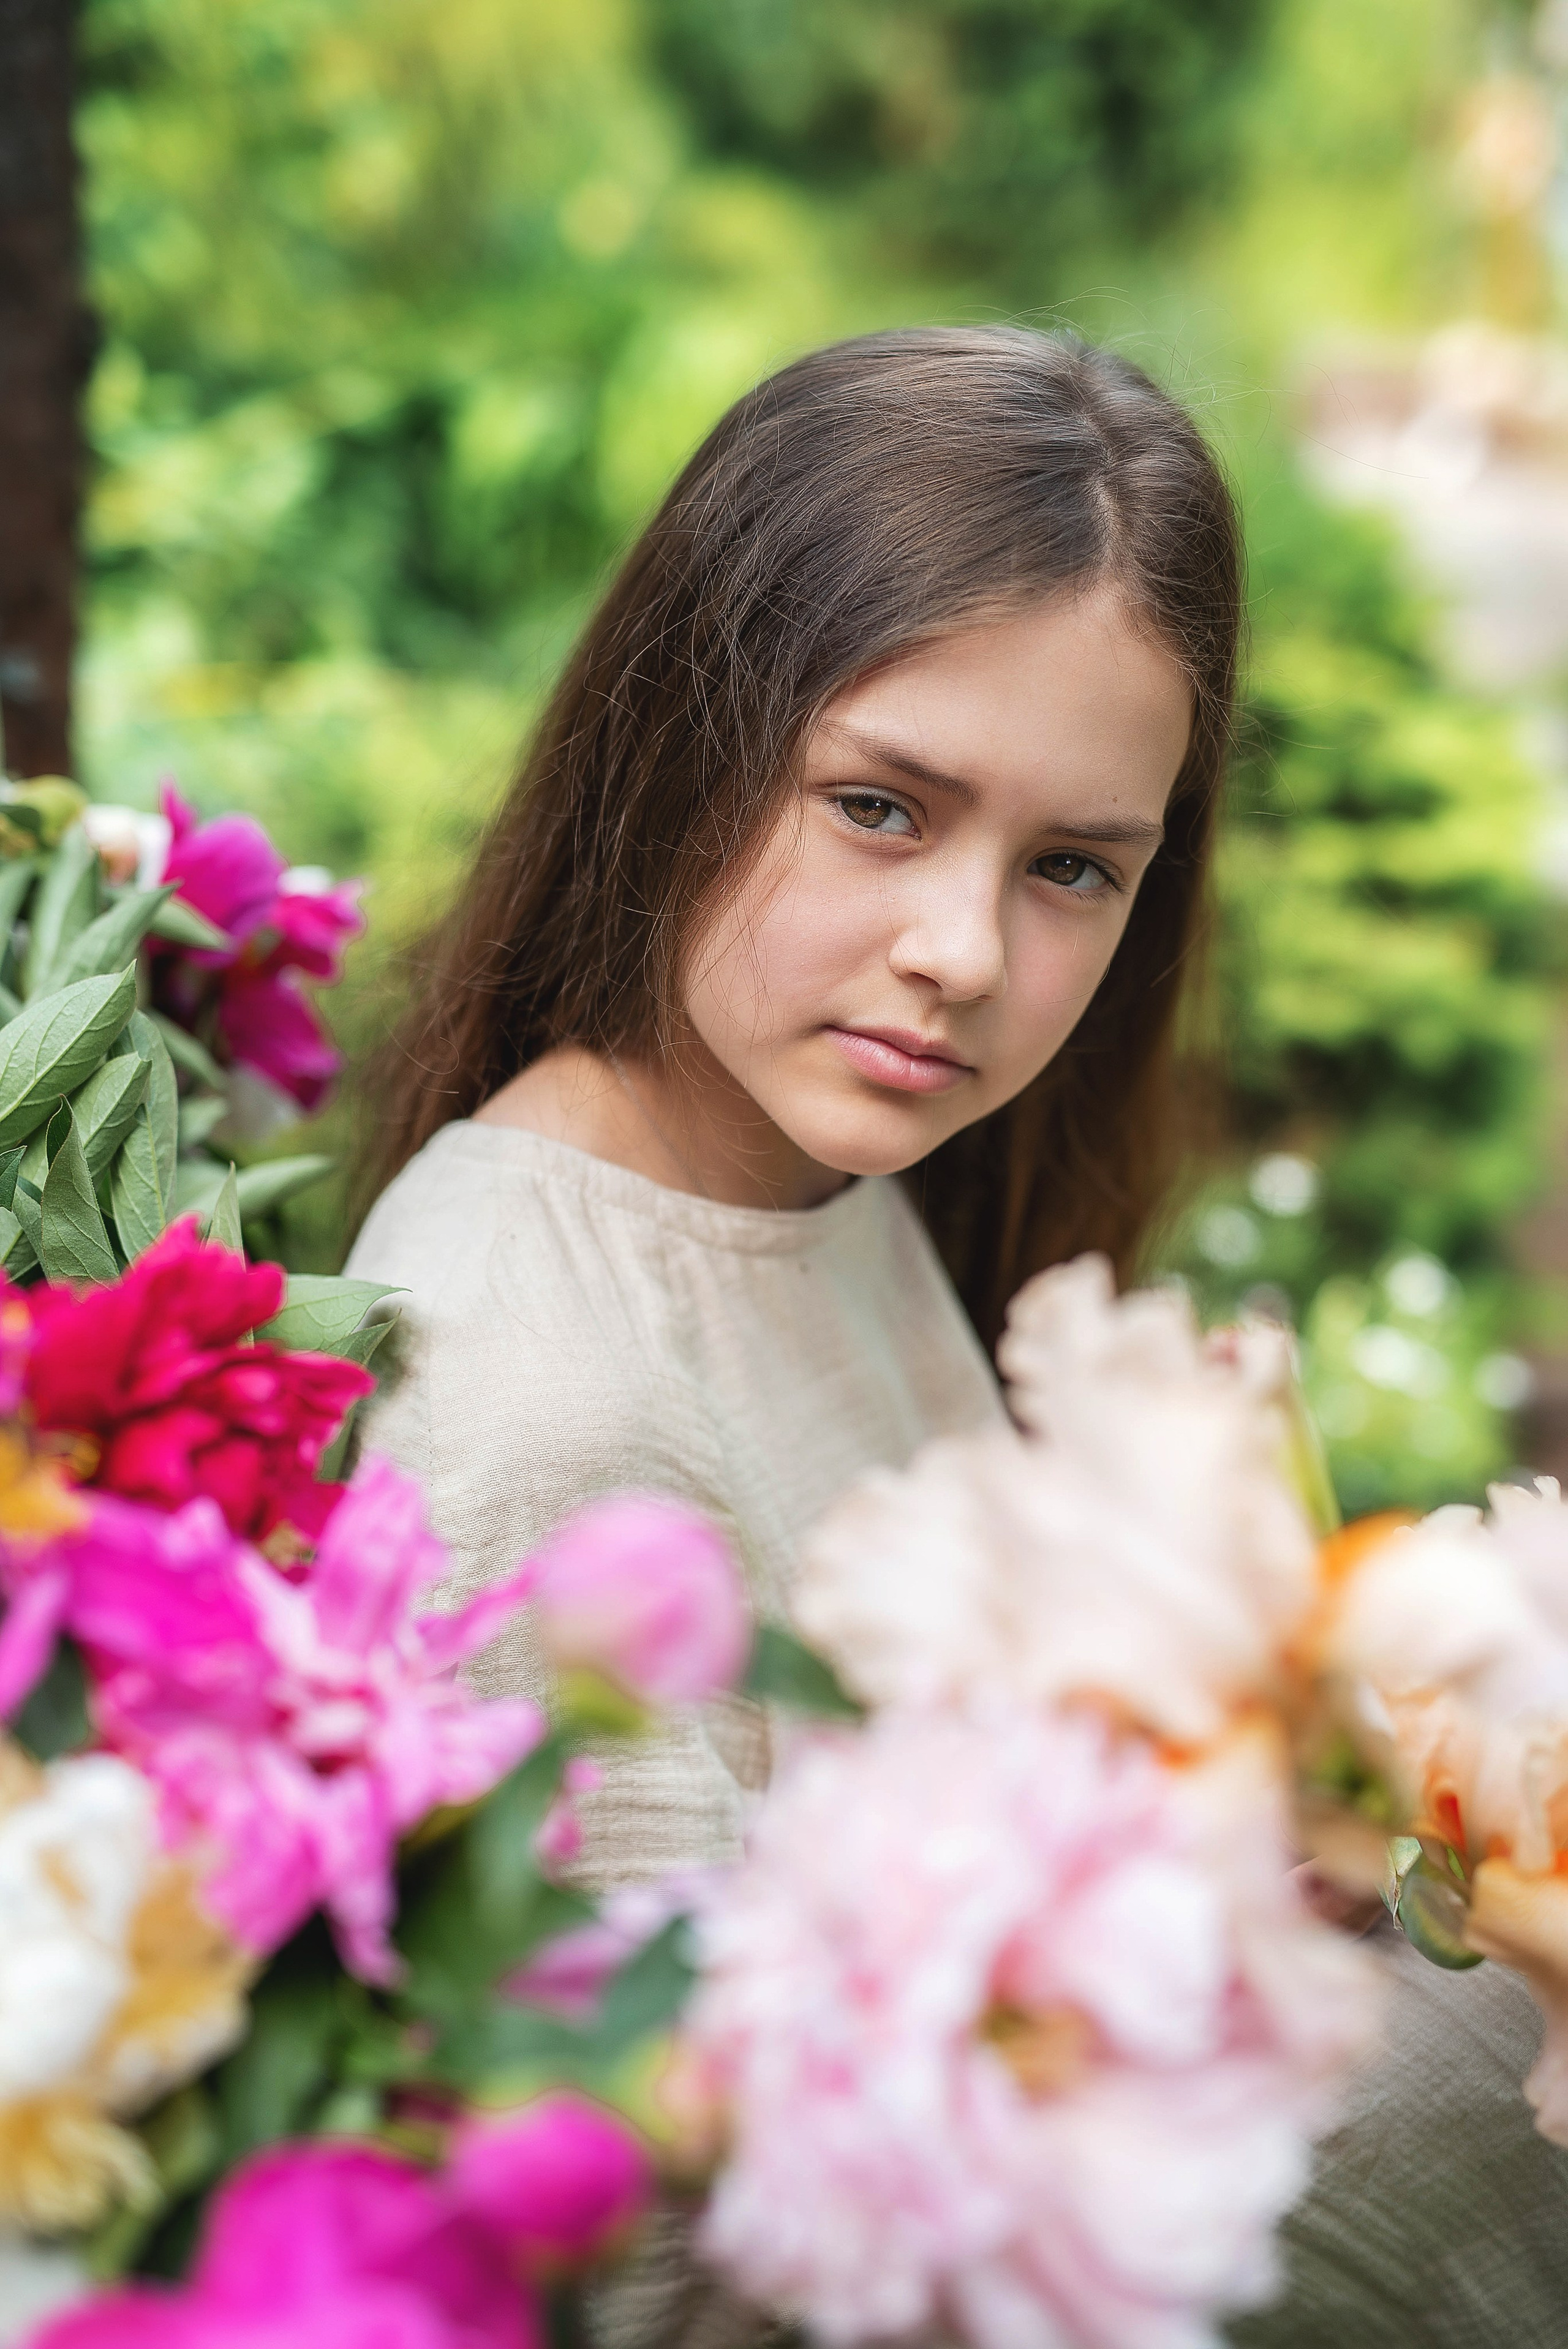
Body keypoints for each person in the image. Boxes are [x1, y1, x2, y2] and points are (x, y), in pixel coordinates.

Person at [347, 326, 1568, 2344]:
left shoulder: (815, 1191)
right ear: (681, 731)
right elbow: (632, 2276)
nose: (966, 956)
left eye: (1074, 865)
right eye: (884, 809)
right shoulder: (537, 1405)